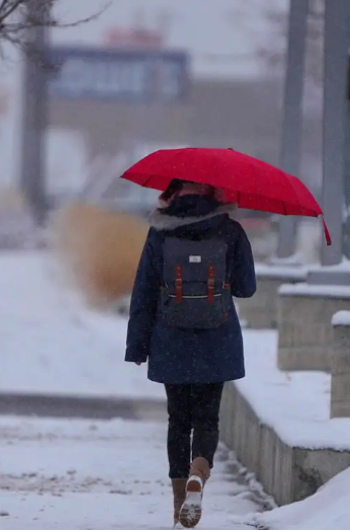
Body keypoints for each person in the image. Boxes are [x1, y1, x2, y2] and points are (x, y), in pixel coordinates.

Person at [125, 179, 256, 528]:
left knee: (179, 420)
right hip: (217, 338)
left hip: (172, 338)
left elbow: (144, 291)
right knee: (207, 418)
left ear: (171, 193)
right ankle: (200, 471)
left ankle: (179, 501)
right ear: (215, 192)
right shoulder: (230, 231)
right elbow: (247, 288)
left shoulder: (160, 232)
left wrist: (137, 345)